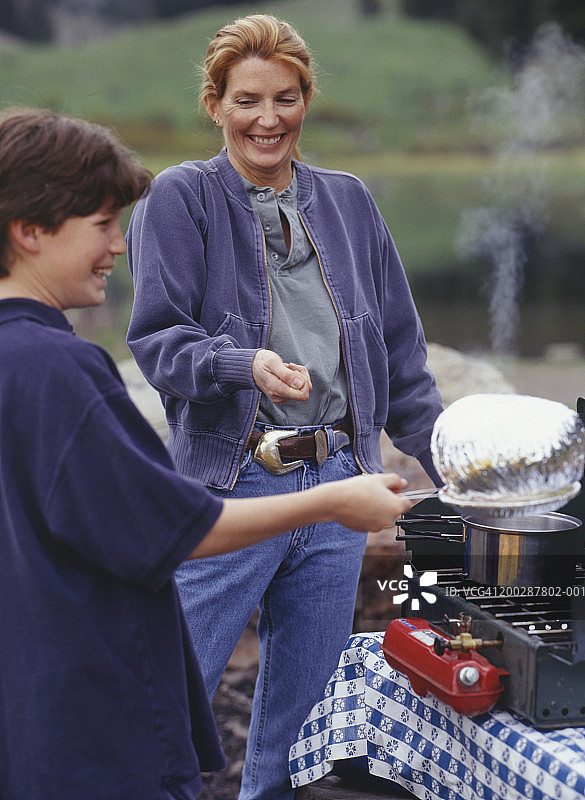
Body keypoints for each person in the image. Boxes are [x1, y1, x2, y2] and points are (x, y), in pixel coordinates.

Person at [0, 106, 415, 800]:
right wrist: (337, 500)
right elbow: (174, 528)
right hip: (94, 729)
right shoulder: (59, 371)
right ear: (30, 230)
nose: (119, 246)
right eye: (103, 224)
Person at [126, 13, 444, 800]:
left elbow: (401, 356)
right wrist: (245, 365)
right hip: (235, 483)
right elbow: (159, 343)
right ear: (215, 105)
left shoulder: (349, 201)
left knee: (303, 726)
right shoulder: (180, 198)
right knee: (170, 696)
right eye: (246, 100)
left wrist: (452, 463)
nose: (266, 118)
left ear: (306, 99)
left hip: (339, 485)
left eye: (285, 97)